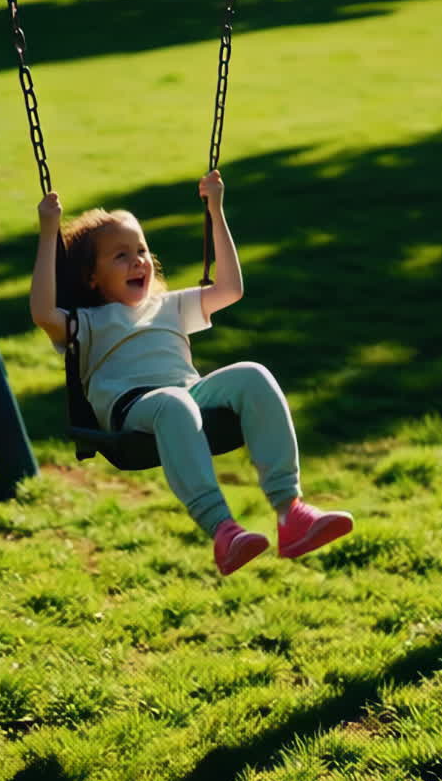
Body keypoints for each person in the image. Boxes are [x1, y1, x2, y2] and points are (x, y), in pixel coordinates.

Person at [30, 170, 353, 576]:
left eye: (142, 250)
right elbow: (43, 311)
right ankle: (223, 529)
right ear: (92, 277)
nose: (138, 261)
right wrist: (48, 233)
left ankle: (291, 512)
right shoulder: (88, 321)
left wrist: (216, 211)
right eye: (121, 255)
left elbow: (230, 289)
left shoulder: (169, 306)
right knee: (173, 403)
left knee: (252, 374)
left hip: (188, 393)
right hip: (134, 409)